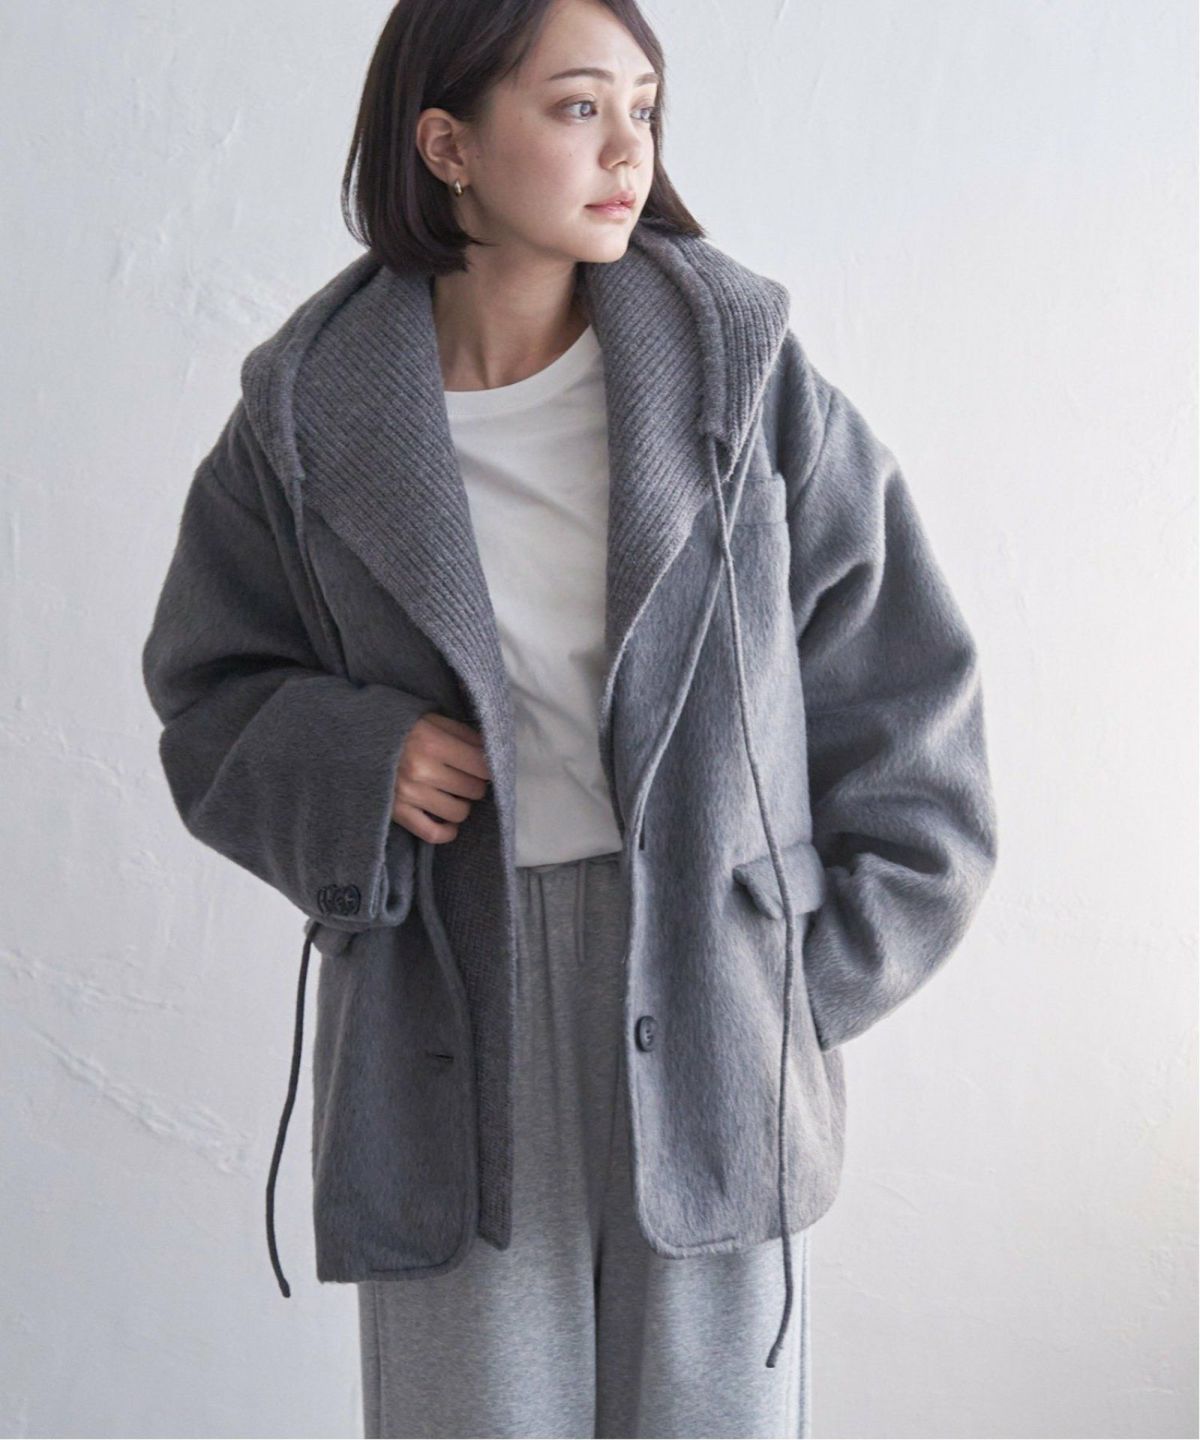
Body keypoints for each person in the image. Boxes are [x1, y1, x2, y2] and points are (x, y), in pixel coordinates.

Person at [141, 0, 998, 1435]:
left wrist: (783, 994)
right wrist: (357, 755)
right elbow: (206, 688)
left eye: (642, 109)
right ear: (448, 146)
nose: (627, 150)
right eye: (578, 106)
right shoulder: (306, 415)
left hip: (708, 981)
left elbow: (911, 705)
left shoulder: (740, 376)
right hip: (450, 1000)